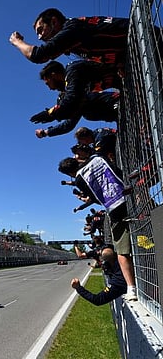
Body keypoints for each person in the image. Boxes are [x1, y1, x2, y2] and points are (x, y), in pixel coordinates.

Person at [58, 156, 137, 301]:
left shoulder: (79, 179)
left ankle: (131, 288)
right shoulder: (96, 157)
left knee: (122, 251)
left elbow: (95, 197)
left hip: (114, 206)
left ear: (69, 173)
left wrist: (86, 200)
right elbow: (117, 171)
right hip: (130, 193)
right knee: (143, 226)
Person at [9, 8, 129, 72]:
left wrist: (17, 41)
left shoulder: (72, 28)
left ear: (54, 22)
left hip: (139, 40)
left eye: (41, 30)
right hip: (135, 51)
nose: (40, 37)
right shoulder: (73, 40)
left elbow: (38, 55)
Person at [31, 60, 121, 139]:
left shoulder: (72, 70)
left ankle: (117, 106)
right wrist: (46, 132)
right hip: (120, 85)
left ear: (53, 75)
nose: (50, 88)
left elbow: (72, 100)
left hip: (123, 72)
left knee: (83, 105)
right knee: (86, 112)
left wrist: (51, 113)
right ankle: (116, 114)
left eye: (48, 83)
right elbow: (69, 123)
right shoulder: (70, 90)